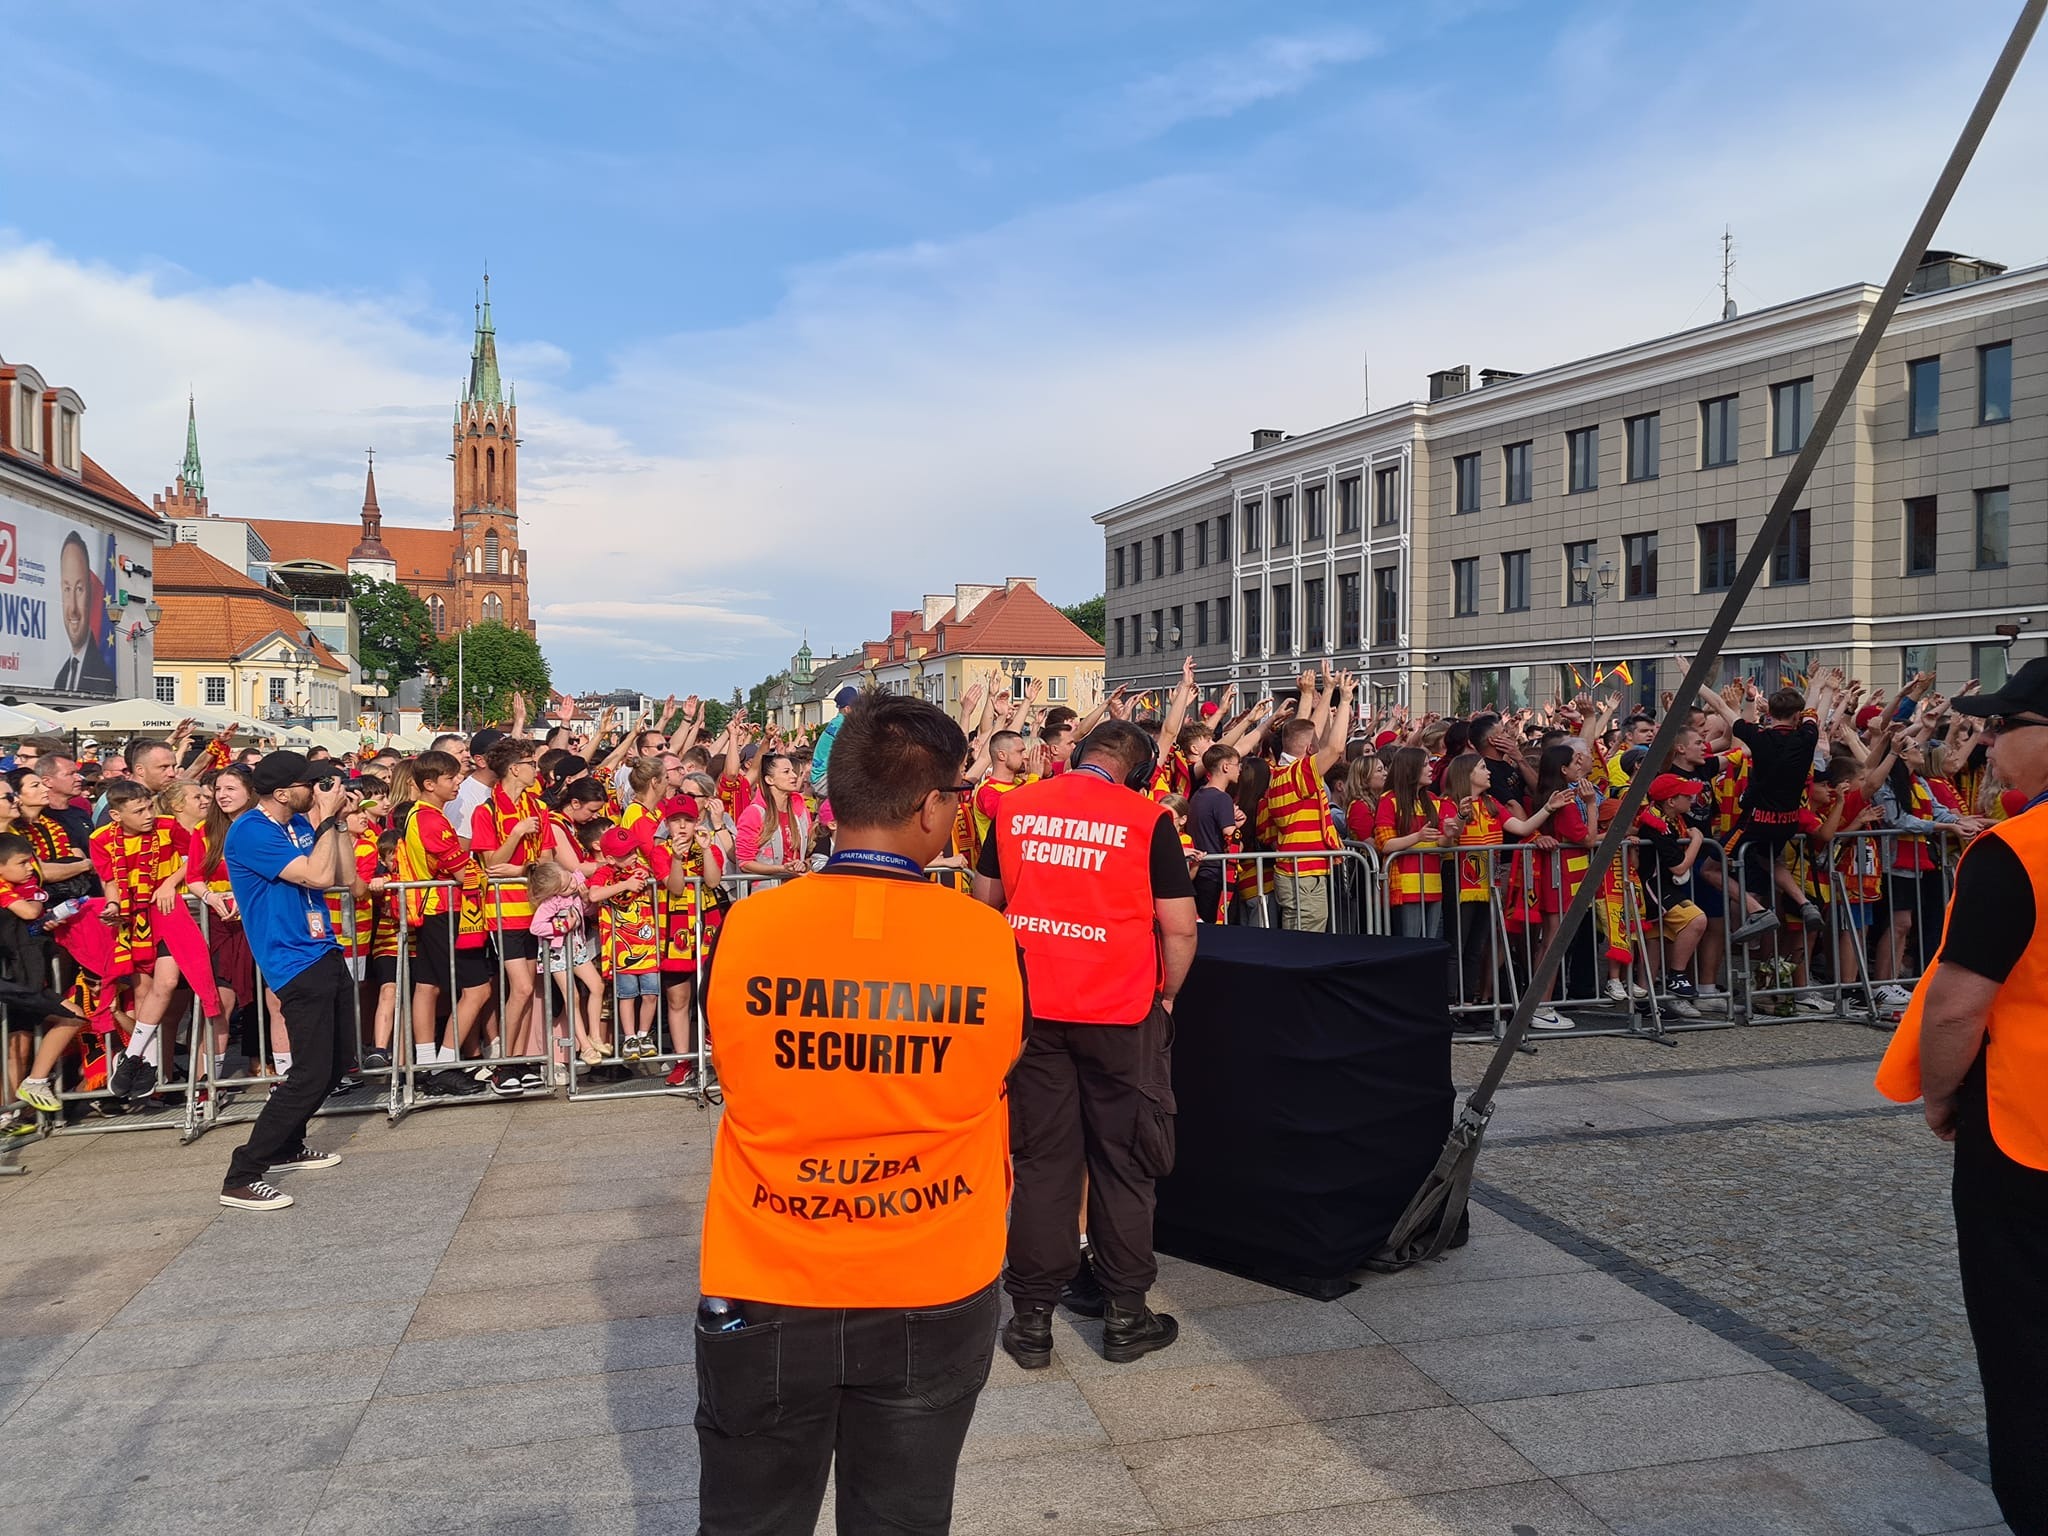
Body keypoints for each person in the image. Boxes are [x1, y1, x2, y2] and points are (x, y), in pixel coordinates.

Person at [696, 695, 1025, 1535]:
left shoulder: (748, 926)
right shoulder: (982, 938)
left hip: (770, 1262)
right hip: (931, 1265)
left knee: (749, 1518)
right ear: (933, 808)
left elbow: (738, 1067)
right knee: (904, 1515)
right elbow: (994, 1072)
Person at [1877, 655, 2048, 1536]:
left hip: (2027, 1135)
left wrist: (1942, 1096)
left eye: (2005, 727)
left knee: (2026, 1347)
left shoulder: (2015, 852)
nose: (1989, 741)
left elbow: (1957, 1004)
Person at [974, 718, 1197, 1368]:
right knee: (1123, 1162)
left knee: (1045, 1164)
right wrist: (1168, 994)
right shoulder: (1146, 818)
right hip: (1120, 1010)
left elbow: (986, 903)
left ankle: (1033, 1322)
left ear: (1080, 753)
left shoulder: (1016, 808)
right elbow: (1179, 929)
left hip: (1035, 1010)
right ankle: (1126, 1316)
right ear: (1135, 765)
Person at [217, 752, 360, 1211]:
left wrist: (336, 823)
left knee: (338, 1062)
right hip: (292, 959)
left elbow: (337, 879)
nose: (318, 789)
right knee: (309, 1072)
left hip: (323, 948)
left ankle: (287, 1146)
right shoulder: (252, 831)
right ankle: (243, 1174)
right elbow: (316, 872)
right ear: (283, 792)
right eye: (311, 783)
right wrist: (326, 822)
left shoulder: (296, 825)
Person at [53, 532, 114, 694]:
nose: (72, 609)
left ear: (91, 591)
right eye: (67, 589)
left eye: (79, 589)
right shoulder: (61, 677)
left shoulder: (104, 674)